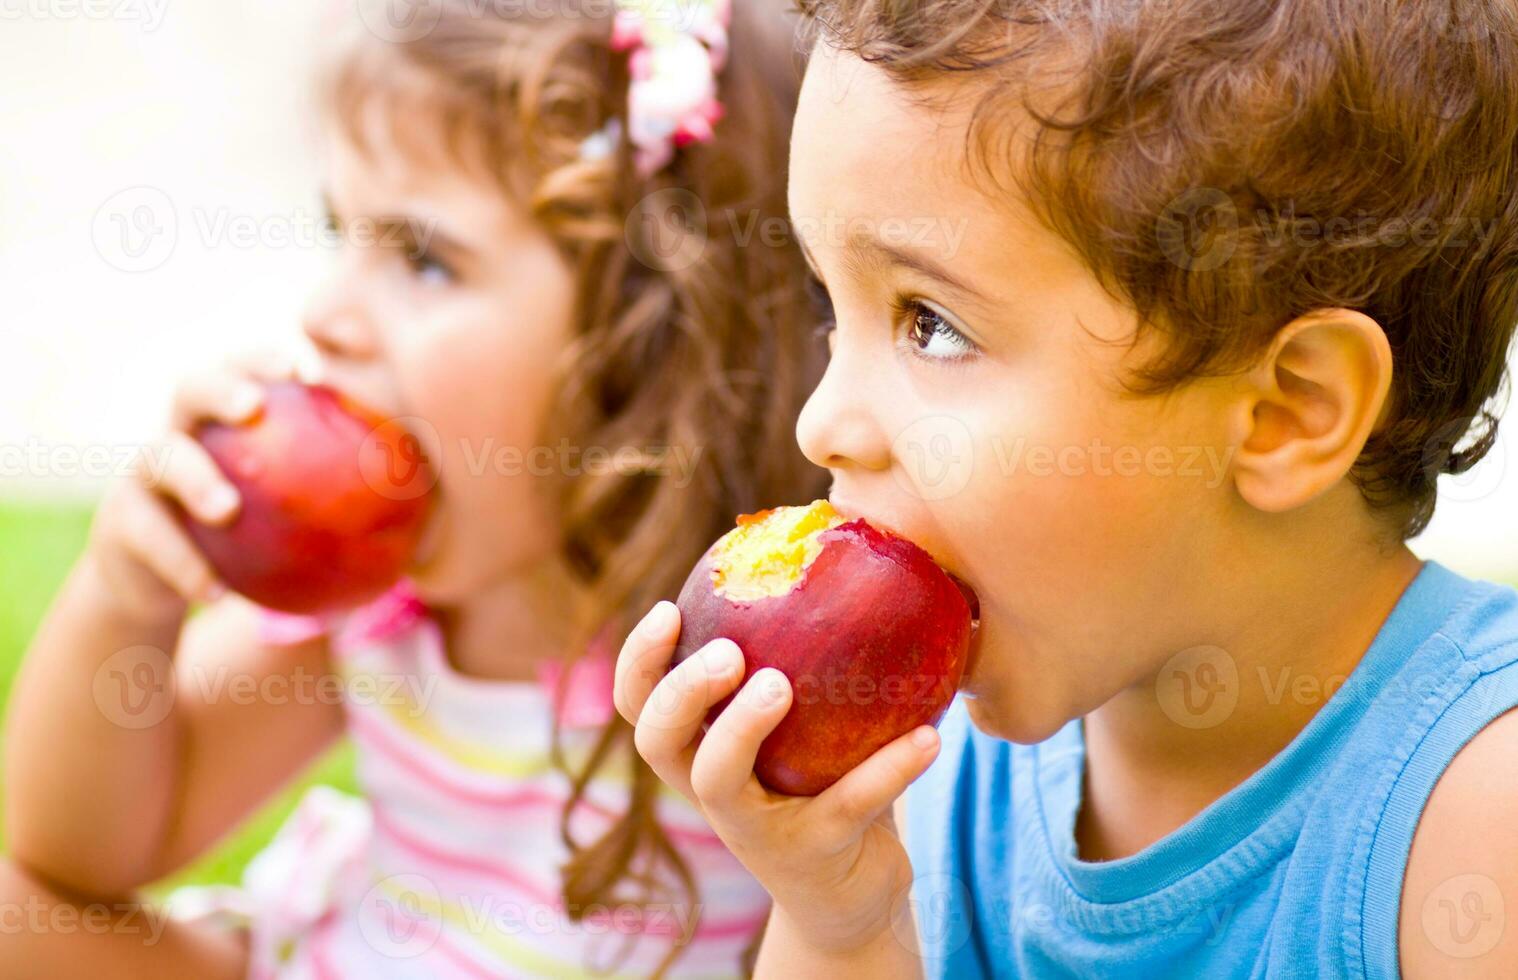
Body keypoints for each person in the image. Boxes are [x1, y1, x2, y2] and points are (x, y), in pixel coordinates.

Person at [614, 1, 1518, 976]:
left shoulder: (1471, 814)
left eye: (932, 324)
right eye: (831, 308)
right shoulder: (931, 764)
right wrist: (842, 920)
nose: (820, 420)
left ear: (1284, 410)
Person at [2, 1, 825, 976]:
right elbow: (72, 853)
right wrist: (123, 595)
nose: (326, 313)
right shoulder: (380, 604)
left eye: (425, 259)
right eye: (339, 230)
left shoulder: (751, 669)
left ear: (648, 350)